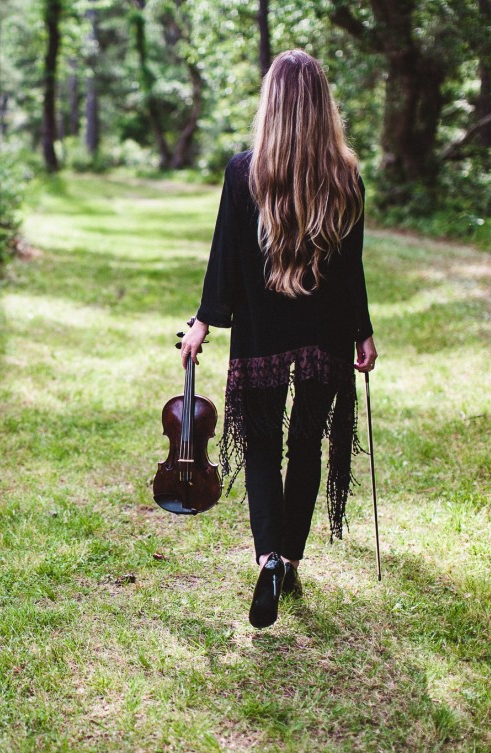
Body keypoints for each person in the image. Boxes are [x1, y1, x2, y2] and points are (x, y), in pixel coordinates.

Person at [179, 49, 377, 629]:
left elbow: (227, 260)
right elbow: (351, 271)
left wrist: (204, 320)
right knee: (307, 443)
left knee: (263, 445)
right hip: (325, 334)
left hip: (263, 333)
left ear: (272, 104)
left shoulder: (244, 172)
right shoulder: (346, 178)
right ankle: (290, 556)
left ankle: (267, 557)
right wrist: (361, 333)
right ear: (323, 107)